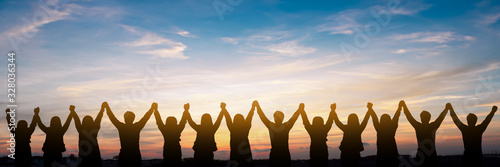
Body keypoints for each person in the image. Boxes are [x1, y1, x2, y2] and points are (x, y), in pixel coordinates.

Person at [106, 102, 156, 167]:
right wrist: (152, 109)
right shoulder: (137, 127)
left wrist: (107, 107)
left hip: (125, 155)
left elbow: (112, 117)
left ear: (124, 119)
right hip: (135, 155)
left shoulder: (121, 127)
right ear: (133, 119)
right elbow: (146, 117)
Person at [255, 101, 301, 167]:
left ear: (275, 118)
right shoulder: (286, 126)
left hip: (275, 155)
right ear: (282, 118)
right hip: (284, 155)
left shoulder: (272, 126)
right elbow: (294, 117)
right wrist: (299, 109)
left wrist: (257, 106)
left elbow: (262, 116)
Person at [403, 102, 448, 167]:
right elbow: (441, 118)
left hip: (421, 155)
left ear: (421, 118)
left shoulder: (418, 126)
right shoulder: (432, 126)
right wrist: (446, 109)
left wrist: (404, 106)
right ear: (429, 118)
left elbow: (409, 116)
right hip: (431, 155)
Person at [332, 103, 371, 167]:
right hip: (355, 154)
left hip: (345, 154)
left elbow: (337, 121)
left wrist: (333, 111)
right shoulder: (359, 129)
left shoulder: (346, 128)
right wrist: (369, 110)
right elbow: (365, 120)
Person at [185, 102, 225, 167]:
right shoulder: (212, 129)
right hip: (208, 153)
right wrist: (223, 110)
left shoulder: (199, 128)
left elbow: (190, 121)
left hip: (199, 153)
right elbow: (219, 120)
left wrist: (186, 111)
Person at [70, 102, 106, 167]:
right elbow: (98, 119)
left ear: (83, 122)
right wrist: (102, 109)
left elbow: (76, 120)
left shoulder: (81, 130)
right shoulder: (94, 129)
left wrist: (73, 111)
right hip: (95, 156)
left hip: (83, 157)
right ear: (92, 122)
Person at [222, 101, 255, 167]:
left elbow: (228, 118)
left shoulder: (232, 128)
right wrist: (253, 108)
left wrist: (224, 109)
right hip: (246, 154)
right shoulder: (245, 128)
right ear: (243, 120)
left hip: (235, 154)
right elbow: (249, 117)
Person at [369, 101, 402, 167]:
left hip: (382, 156)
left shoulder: (379, 129)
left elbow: (374, 118)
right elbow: (396, 117)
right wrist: (399, 108)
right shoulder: (392, 128)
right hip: (392, 155)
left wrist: (370, 109)